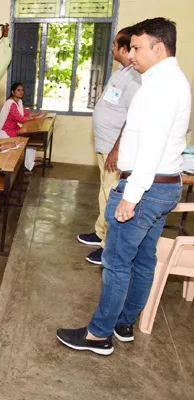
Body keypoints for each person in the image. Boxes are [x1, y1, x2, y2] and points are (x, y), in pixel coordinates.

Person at [57, 18, 190, 356]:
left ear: (158, 48)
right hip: (163, 186)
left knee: (117, 264)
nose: (132, 55)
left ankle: (98, 335)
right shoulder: (172, 80)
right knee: (144, 261)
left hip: (145, 189)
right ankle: (124, 323)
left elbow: (152, 147)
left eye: (137, 48)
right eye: (130, 48)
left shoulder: (160, 87)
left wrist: (130, 197)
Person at [76, 27, 142, 265]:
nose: (112, 48)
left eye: (115, 44)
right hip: (105, 145)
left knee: (111, 193)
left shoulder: (135, 77)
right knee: (104, 190)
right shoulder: (121, 72)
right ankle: (100, 232)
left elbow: (132, 118)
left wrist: (116, 148)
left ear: (125, 49)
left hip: (115, 149)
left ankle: (108, 247)